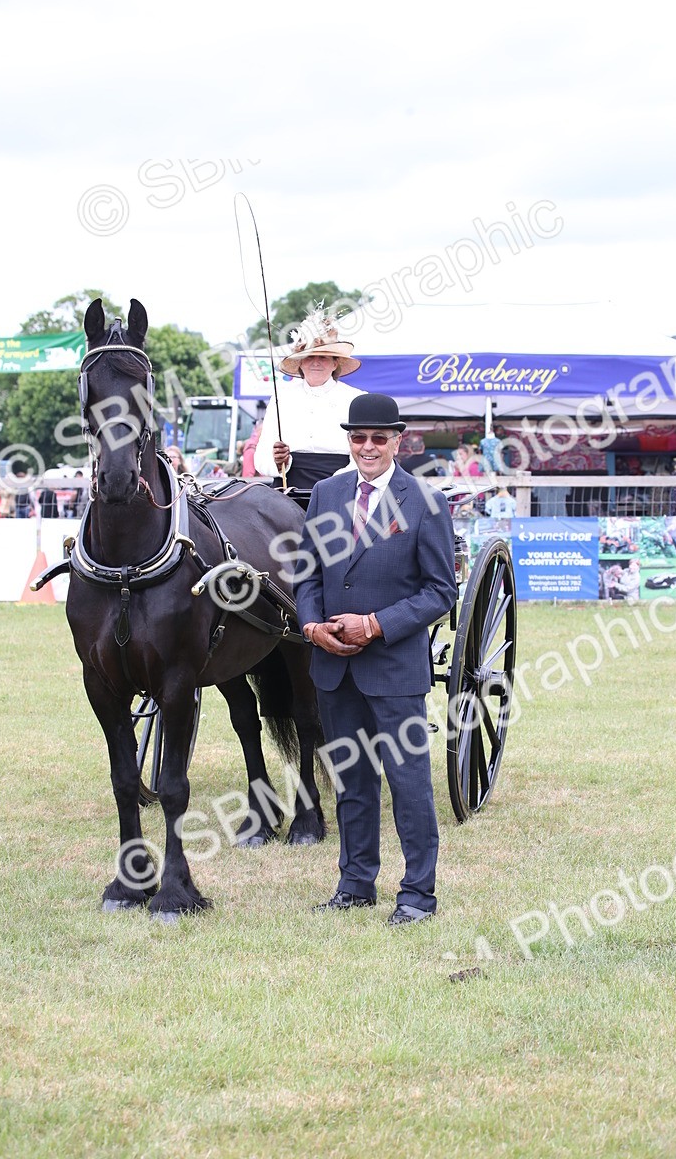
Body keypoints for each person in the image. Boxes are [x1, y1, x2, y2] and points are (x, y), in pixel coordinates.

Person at [295, 393, 457, 926]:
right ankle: (355, 883)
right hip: (334, 667)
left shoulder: (426, 503)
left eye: (379, 438)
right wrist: (313, 625)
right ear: (349, 440)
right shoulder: (325, 494)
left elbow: (440, 591)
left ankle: (417, 894)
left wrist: (376, 624)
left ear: (398, 440)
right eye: (359, 438)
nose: (368, 447)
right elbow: (309, 574)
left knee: (408, 782)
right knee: (352, 783)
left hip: (392, 669)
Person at [254, 305, 366, 490]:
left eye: (323, 357)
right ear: (300, 363)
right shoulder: (281, 397)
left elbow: (365, 453)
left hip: (342, 486)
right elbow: (261, 457)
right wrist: (279, 461)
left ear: (335, 363)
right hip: (287, 489)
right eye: (308, 357)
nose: (315, 362)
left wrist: (337, 483)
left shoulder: (356, 399)